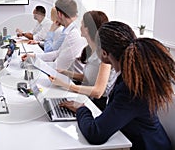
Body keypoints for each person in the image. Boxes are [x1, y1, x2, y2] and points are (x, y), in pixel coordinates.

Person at [60, 21, 174, 149]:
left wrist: (81, 109)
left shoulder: (130, 89)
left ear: (104, 53)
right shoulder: (128, 76)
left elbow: (95, 133)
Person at [50, 11, 113, 110]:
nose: (80, 27)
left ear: (88, 29)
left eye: (82, 24)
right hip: (88, 98)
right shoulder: (91, 49)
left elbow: (98, 91)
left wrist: (65, 85)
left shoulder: (104, 55)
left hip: (99, 105)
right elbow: (89, 78)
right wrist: (66, 73)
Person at [22, 0, 86, 71]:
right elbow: (57, 53)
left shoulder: (72, 35)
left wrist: (33, 62)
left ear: (59, 14)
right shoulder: (69, 30)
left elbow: (57, 66)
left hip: (71, 78)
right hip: (65, 71)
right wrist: (34, 56)